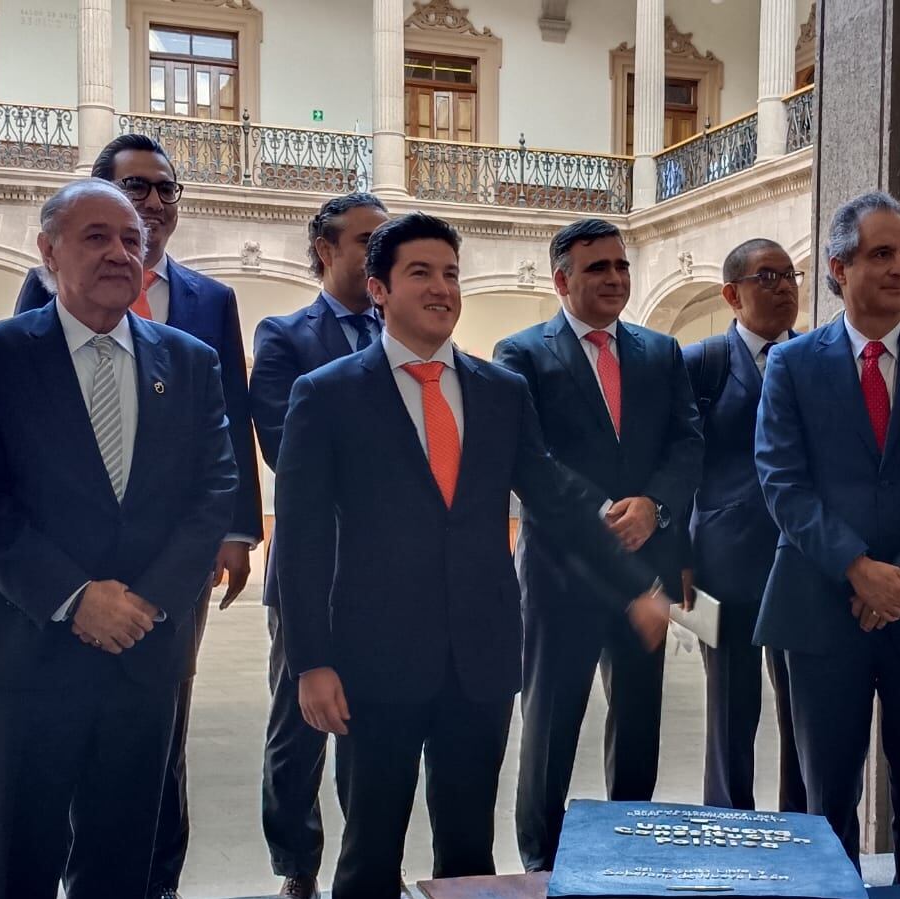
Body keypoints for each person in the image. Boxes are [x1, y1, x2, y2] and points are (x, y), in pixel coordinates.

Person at [271, 211, 672, 899]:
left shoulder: (498, 392)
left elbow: (556, 499)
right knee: (369, 853)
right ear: (378, 288)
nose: (442, 288)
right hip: (373, 662)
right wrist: (311, 662)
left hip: (479, 662)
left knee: (468, 855)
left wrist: (633, 583)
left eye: (451, 274)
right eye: (420, 273)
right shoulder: (328, 394)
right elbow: (302, 539)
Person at [0, 178, 237, 899]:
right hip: (24, 661)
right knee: (18, 868)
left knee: (122, 870)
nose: (119, 253)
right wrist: (76, 597)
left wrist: (149, 601)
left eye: (132, 240)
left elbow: (213, 491)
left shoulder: (190, 362)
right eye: (96, 237)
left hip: (145, 657)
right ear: (48, 252)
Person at [12, 136, 261, 899]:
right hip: (74, 561)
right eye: (135, 188)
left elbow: (229, 417)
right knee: (71, 722)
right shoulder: (42, 290)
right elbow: (25, 422)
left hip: (174, 560)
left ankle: (157, 878)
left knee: (162, 723)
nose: (153, 202)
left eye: (164, 189)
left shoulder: (209, 300)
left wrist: (236, 531)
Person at [754, 191, 900, 884]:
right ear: (839, 267)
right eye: (881, 253)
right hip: (820, 605)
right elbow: (782, 481)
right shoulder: (792, 364)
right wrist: (858, 569)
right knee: (826, 795)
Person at [495, 218, 703, 872]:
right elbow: (531, 461)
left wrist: (654, 506)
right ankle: (541, 864)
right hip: (563, 572)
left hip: (647, 565)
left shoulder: (660, 352)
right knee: (551, 725)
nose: (614, 278)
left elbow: (687, 442)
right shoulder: (521, 354)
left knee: (639, 723)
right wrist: (603, 513)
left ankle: (628, 854)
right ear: (562, 281)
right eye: (597, 268)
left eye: (620, 265)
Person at [249, 191, 389, 899]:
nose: (380, 252)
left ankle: (365, 867)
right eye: (367, 240)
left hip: (391, 575)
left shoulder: (406, 334)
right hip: (313, 566)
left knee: (373, 727)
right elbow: (285, 449)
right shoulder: (284, 337)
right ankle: (296, 866)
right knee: (297, 727)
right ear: (325, 249)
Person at [681, 238, 805, 813]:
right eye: (768, 277)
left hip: (802, 561)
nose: (785, 288)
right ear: (732, 294)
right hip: (723, 566)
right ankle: (730, 825)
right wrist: (677, 559)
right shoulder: (702, 364)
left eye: (790, 276)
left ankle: (801, 826)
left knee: (804, 708)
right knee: (730, 709)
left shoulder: (814, 359)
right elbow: (677, 468)